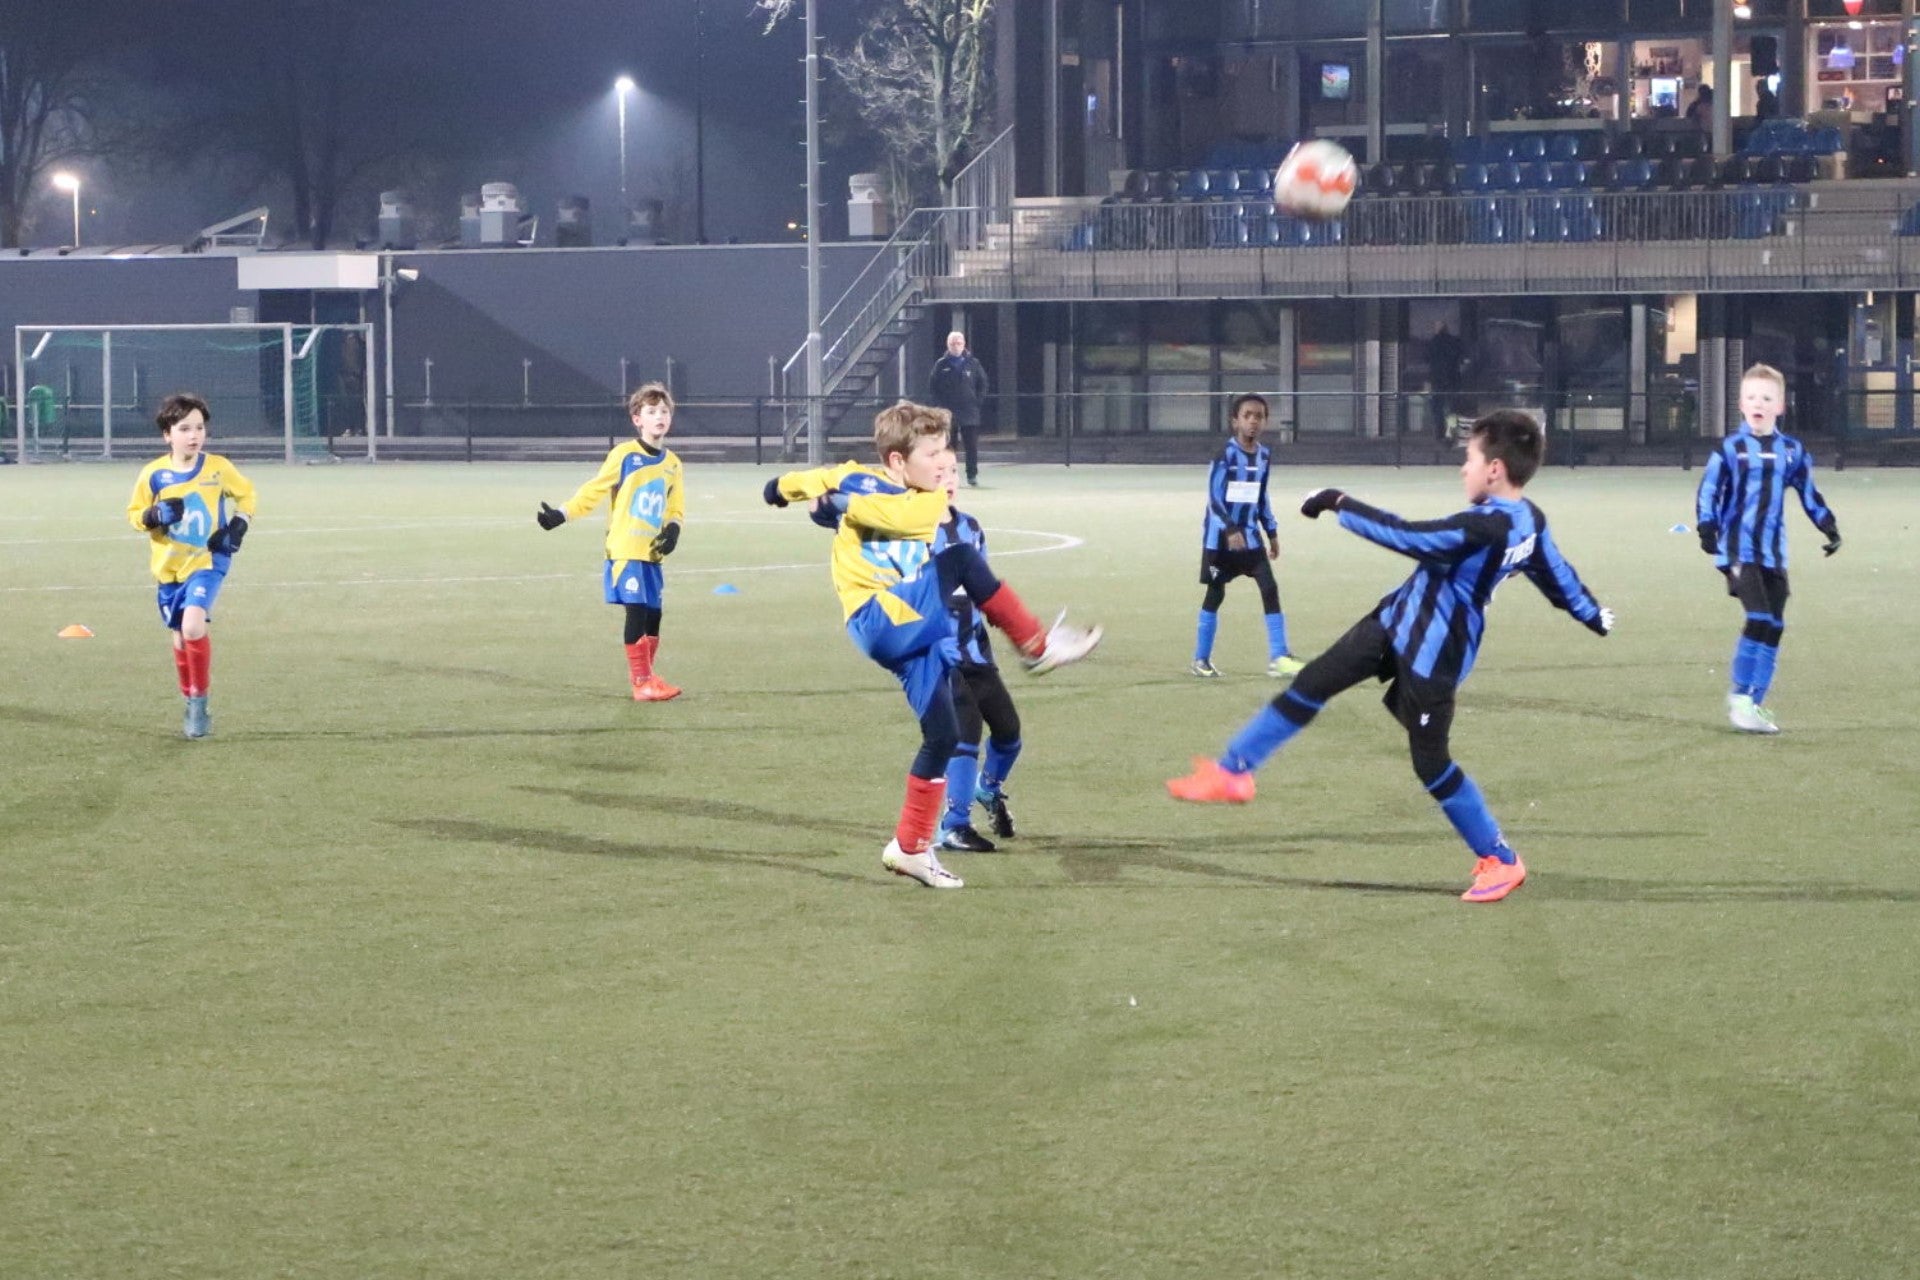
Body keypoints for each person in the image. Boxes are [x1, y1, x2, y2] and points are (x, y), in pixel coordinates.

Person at [1166, 409, 1614, 904]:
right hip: (1394, 621)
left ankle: (1502, 860)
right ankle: (1233, 771)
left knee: (1431, 763)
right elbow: (1556, 574)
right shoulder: (1529, 518)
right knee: (1313, 682)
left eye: (1468, 459)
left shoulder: (1485, 528)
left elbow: (1409, 537)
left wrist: (1338, 501)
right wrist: (1591, 613)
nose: (1462, 469)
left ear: (1494, 469)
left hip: (1435, 654)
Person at [763, 400, 1100, 889]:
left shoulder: (901, 495)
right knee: (960, 559)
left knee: (942, 735)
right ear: (897, 461)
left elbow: (846, 495)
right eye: (932, 453)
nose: (944, 463)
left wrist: (810, 498)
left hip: (911, 627)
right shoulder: (883, 489)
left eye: (946, 451)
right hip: (879, 616)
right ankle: (1036, 645)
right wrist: (793, 491)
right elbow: (828, 484)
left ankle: (910, 847)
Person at [1694, 362, 1840, 734]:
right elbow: (1708, 490)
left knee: (1774, 625)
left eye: (1766, 398)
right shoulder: (1730, 449)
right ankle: (1740, 697)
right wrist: (1706, 526)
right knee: (1758, 617)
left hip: (1773, 553)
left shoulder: (1792, 451)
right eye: (1751, 397)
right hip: (1738, 550)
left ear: (1780, 406)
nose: (1758, 403)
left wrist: (1828, 524)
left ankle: (1755, 703)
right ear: (1741, 404)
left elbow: (1808, 492)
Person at [535, 382, 685, 702]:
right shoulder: (625, 455)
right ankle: (642, 683)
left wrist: (673, 530)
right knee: (636, 611)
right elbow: (595, 490)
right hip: (625, 549)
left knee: (654, 616)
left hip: (652, 553)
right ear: (637, 419)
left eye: (664, 411)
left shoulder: (673, 463)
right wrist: (562, 514)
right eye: (651, 411)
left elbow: (675, 506)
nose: (659, 416)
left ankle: (647, 676)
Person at [124, 393, 258, 739]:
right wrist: (154, 515)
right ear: (167, 435)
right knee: (180, 637)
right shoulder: (153, 475)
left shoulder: (218, 468)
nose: (194, 435)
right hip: (169, 568)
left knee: (193, 627)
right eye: (184, 429)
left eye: (199, 428)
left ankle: (200, 704)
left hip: (208, 561)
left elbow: (247, 494)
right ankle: (189, 697)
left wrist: (238, 525)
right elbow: (135, 515)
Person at [1190, 393, 1304, 680]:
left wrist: (1272, 532)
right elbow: (1214, 499)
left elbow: (1261, 496)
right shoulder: (1225, 455)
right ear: (1235, 421)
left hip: (1251, 540)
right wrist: (1230, 529)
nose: (1253, 421)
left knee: (1269, 588)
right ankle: (1200, 659)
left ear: (1265, 422)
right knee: (1215, 593)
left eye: (1259, 416)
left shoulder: (1264, 456)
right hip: (1220, 543)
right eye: (1247, 416)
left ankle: (1279, 656)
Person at [927, 330, 989, 487]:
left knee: (971, 446)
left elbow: (983, 383)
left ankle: (972, 475)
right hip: (948, 413)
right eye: (953, 343)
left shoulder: (973, 363)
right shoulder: (941, 364)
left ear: (964, 344)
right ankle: (949, 475)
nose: (956, 346)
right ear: (948, 345)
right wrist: (939, 407)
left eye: (959, 343)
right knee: (949, 447)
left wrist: (977, 401)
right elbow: (933, 387)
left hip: (970, 412)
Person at [1426, 323, 1465, 441]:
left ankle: (1440, 433)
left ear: (1437, 329)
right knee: (1452, 408)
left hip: (1437, 381)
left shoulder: (1433, 343)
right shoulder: (1455, 342)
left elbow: (1427, 360)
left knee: (1437, 408)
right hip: (1453, 380)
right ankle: (1451, 432)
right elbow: (1461, 359)